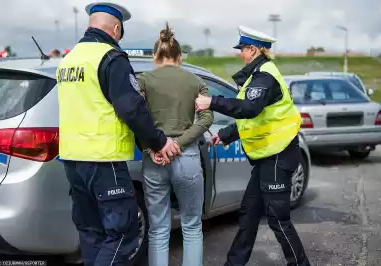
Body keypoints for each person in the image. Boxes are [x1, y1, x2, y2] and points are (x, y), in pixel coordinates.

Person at [56, 2, 180, 266]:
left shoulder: (69, 59)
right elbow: (131, 108)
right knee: (123, 234)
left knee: (92, 234)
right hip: (104, 161)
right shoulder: (111, 58)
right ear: (116, 28)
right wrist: (158, 142)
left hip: (72, 161)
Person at [195, 25, 311, 266]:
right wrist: (226, 134)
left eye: (243, 49)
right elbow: (255, 119)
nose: (240, 54)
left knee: (278, 220)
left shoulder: (264, 77)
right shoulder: (257, 76)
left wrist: (211, 102)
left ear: (253, 50)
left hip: (278, 157)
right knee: (248, 214)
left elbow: (249, 109)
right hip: (267, 158)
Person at [137, 22, 214, 266]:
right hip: (187, 157)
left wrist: (152, 147)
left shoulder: (143, 80)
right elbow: (207, 117)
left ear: (154, 55)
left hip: (154, 159)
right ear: (179, 58)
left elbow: (135, 118)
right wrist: (179, 143)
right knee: (192, 225)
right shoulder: (195, 80)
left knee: (158, 229)